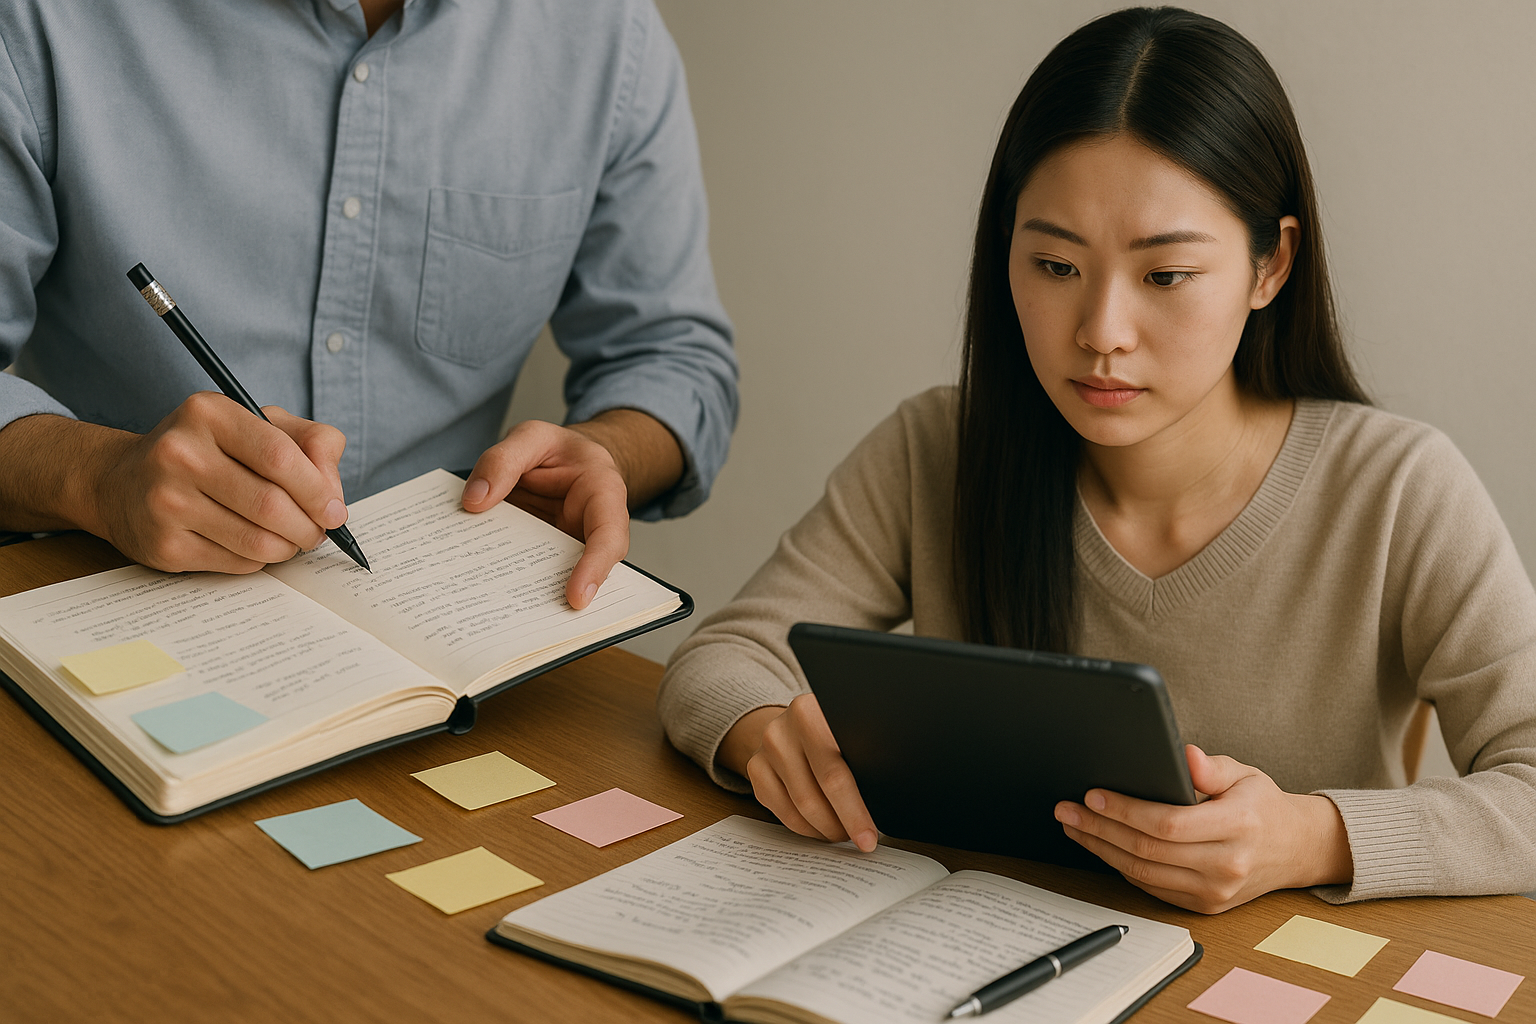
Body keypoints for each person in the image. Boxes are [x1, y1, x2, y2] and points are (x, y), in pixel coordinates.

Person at [657, 6, 1536, 912]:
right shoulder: (938, 450)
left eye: (1165, 276)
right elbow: (723, 657)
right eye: (1055, 266)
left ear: (1271, 265)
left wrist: (1308, 837)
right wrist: (765, 734)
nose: (1101, 334)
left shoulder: (1399, 490)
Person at [0, 0, 738, 609]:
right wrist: (98, 479)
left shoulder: (605, 31)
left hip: (449, 630)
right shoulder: (41, 20)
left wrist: (606, 453)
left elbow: (673, 360)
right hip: (105, 604)